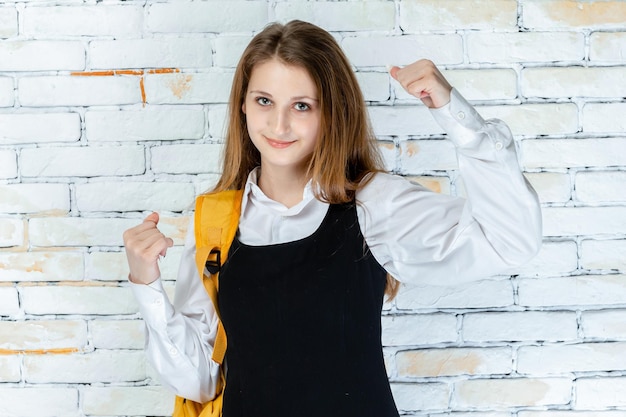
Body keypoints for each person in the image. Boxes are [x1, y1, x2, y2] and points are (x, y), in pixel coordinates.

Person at [123, 20, 542, 417]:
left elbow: (508, 240)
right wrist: (147, 283)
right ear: (243, 106)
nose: (279, 123)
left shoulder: (372, 203)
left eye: (302, 106)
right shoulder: (215, 224)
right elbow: (199, 381)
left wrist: (455, 116)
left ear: (332, 113)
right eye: (264, 100)